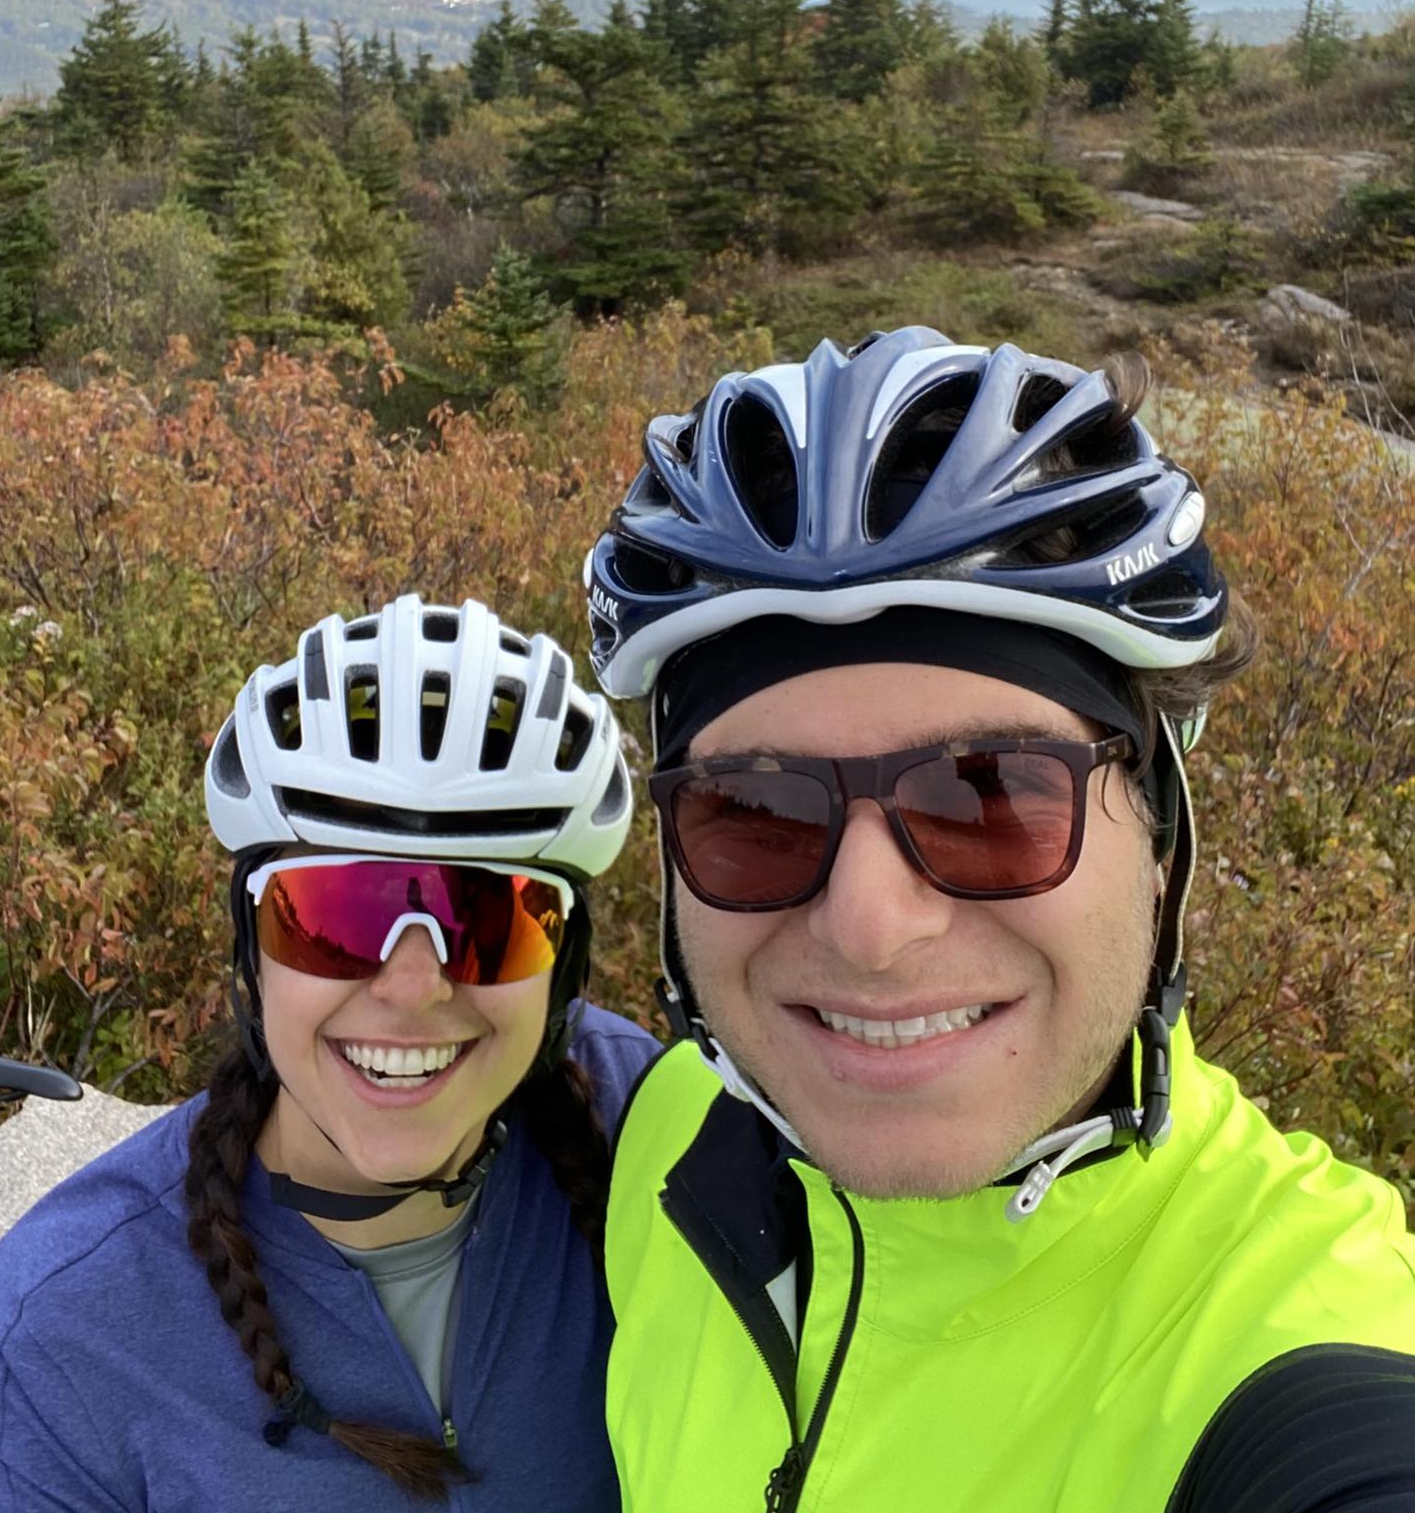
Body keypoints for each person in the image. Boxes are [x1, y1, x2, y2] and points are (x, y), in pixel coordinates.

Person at [584, 327, 1415, 1513]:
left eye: (991, 795)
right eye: (753, 810)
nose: (871, 925)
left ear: (1163, 832)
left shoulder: (1297, 1358)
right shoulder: (669, 1134)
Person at [0, 593, 656, 1511]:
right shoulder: (62, 1333)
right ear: (251, 953)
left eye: (487, 924)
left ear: (563, 973)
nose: (411, 990)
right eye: (334, 921)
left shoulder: (653, 1136)